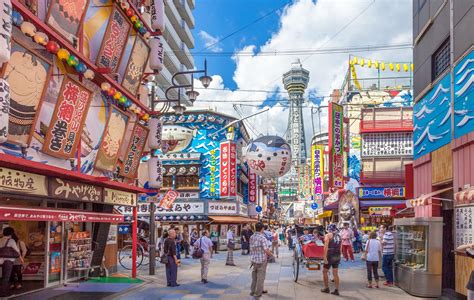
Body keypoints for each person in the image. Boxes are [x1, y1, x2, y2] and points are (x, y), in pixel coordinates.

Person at [249, 222, 273, 300]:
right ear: (262, 229)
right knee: (260, 279)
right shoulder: (262, 238)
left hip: (253, 260)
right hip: (261, 260)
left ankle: (252, 294)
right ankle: (257, 296)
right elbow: (266, 250)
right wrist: (272, 255)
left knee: (254, 278)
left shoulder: (252, 237)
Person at [0, 227, 22, 297]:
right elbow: (17, 250)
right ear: (11, 233)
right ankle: (4, 294)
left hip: (1, 260)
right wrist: (21, 258)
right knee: (6, 278)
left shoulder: (0, 240)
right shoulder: (11, 240)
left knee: (3, 277)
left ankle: (4, 292)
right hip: (8, 261)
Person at [321, 224, 341, 296]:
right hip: (337, 255)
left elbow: (326, 246)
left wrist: (324, 256)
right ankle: (337, 290)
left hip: (330, 255)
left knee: (324, 271)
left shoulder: (328, 235)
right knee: (335, 273)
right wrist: (340, 256)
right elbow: (340, 248)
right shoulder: (339, 236)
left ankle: (326, 288)